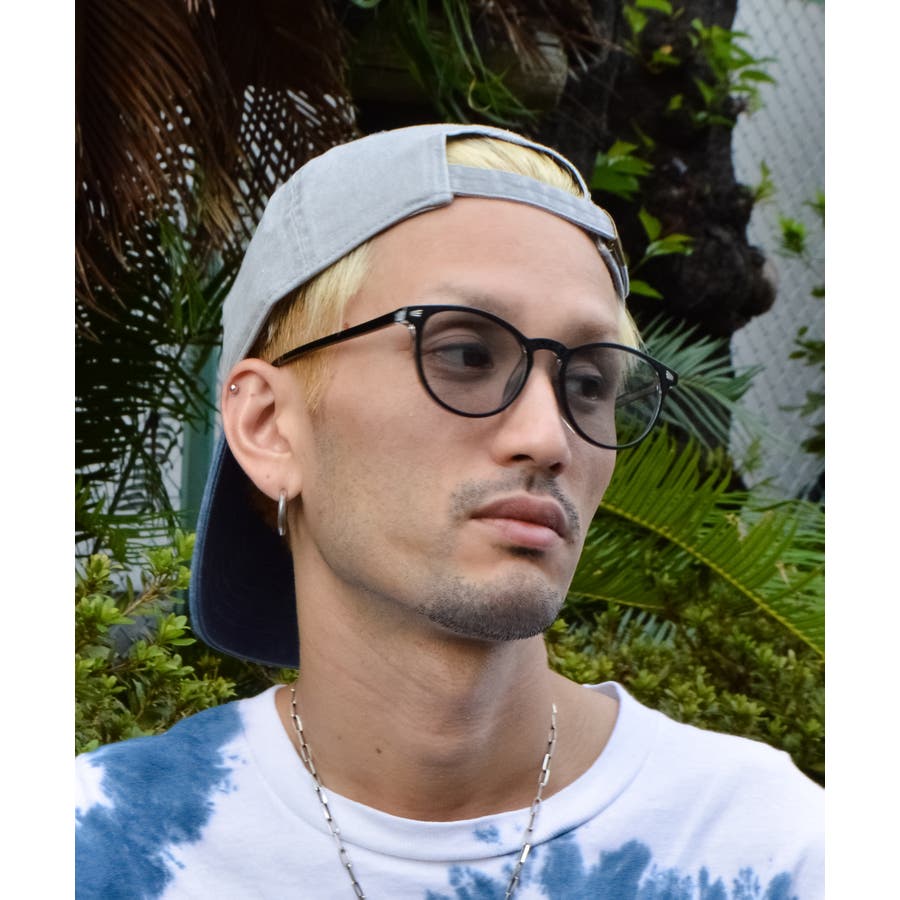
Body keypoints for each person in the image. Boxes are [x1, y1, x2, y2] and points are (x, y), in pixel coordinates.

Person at [75, 123, 823, 899]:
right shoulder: (96, 848)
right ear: (269, 428)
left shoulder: (771, 852)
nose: (548, 437)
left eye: (588, 383)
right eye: (465, 354)